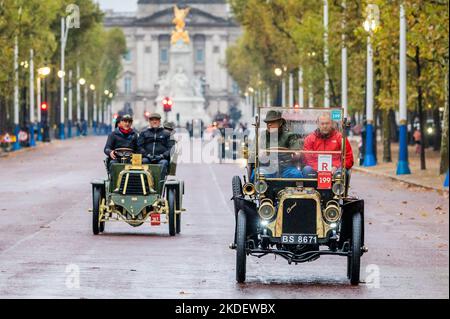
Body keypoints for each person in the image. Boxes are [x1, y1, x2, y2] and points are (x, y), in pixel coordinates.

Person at [250, 110, 303, 180]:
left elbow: (297, 151)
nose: (269, 124)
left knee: (297, 174)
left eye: (272, 122)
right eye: (267, 122)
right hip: (266, 168)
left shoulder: (290, 136)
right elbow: (253, 154)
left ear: (280, 123)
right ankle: (257, 190)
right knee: (257, 174)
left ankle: (296, 191)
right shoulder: (261, 136)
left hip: (286, 168)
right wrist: (260, 153)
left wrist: (296, 153)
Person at [302, 112, 354, 177]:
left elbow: (349, 157)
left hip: (336, 170)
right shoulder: (310, 139)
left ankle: (338, 187)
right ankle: (312, 187)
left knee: (341, 172)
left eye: (327, 123)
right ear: (317, 124)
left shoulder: (340, 138)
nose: (325, 126)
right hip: (315, 170)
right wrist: (318, 168)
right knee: (307, 170)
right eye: (322, 123)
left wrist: (337, 166)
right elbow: (307, 158)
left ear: (331, 123)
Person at [138, 113, 173, 179]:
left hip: (161, 158)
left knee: (163, 163)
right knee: (143, 162)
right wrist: (147, 155)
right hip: (147, 157)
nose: (154, 121)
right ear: (149, 121)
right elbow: (139, 147)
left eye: (156, 120)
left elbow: (170, 148)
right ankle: (144, 183)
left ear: (159, 121)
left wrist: (162, 156)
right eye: (152, 120)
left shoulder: (166, 133)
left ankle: (159, 184)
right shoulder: (144, 133)